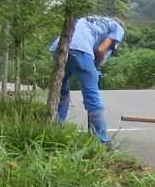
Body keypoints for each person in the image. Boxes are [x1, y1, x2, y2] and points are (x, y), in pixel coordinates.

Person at [50, 14, 125, 143]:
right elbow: (101, 50)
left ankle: (56, 130)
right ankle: (101, 140)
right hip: (80, 51)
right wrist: (95, 68)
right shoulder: (117, 27)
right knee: (92, 96)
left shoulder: (89, 20)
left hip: (58, 48)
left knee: (60, 91)